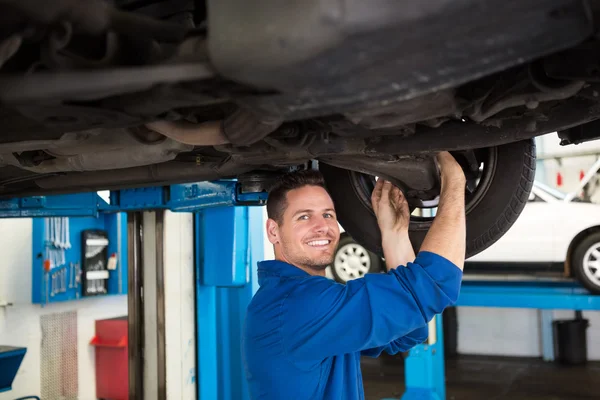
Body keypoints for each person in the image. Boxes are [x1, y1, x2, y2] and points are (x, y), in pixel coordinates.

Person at [242, 151, 466, 400]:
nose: (322, 227)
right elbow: (436, 281)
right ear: (273, 231)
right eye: (304, 217)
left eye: (328, 214)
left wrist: (394, 234)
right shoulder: (297, 306)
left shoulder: (294, 299)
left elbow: (408, 332)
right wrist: (455, 182)